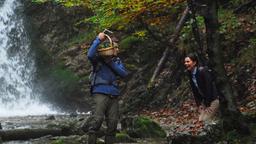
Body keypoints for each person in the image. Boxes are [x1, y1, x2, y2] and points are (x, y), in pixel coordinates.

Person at [86, 32, 128, 144]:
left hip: (113, 94)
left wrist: (110, 63)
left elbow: (124, 74)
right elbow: (90, 55)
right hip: (100, 92)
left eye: (117, 47)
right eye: (115, 46)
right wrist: (98, 39)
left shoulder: (117, 61)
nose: (117, 49)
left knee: (113, 124)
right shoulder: (98, 60)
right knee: (97, 120)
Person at [184, 53, 219, 122]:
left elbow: (209, 86)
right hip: (205, 102)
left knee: (205, 120)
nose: (185, 63)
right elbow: (195, 91)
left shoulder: (203, 71)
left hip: (214, 99)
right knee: (200, 120)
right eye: (185, 62)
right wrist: (199, 104)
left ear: (194, 63)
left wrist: (207, 103)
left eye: (188, 61)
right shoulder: (190, 74)